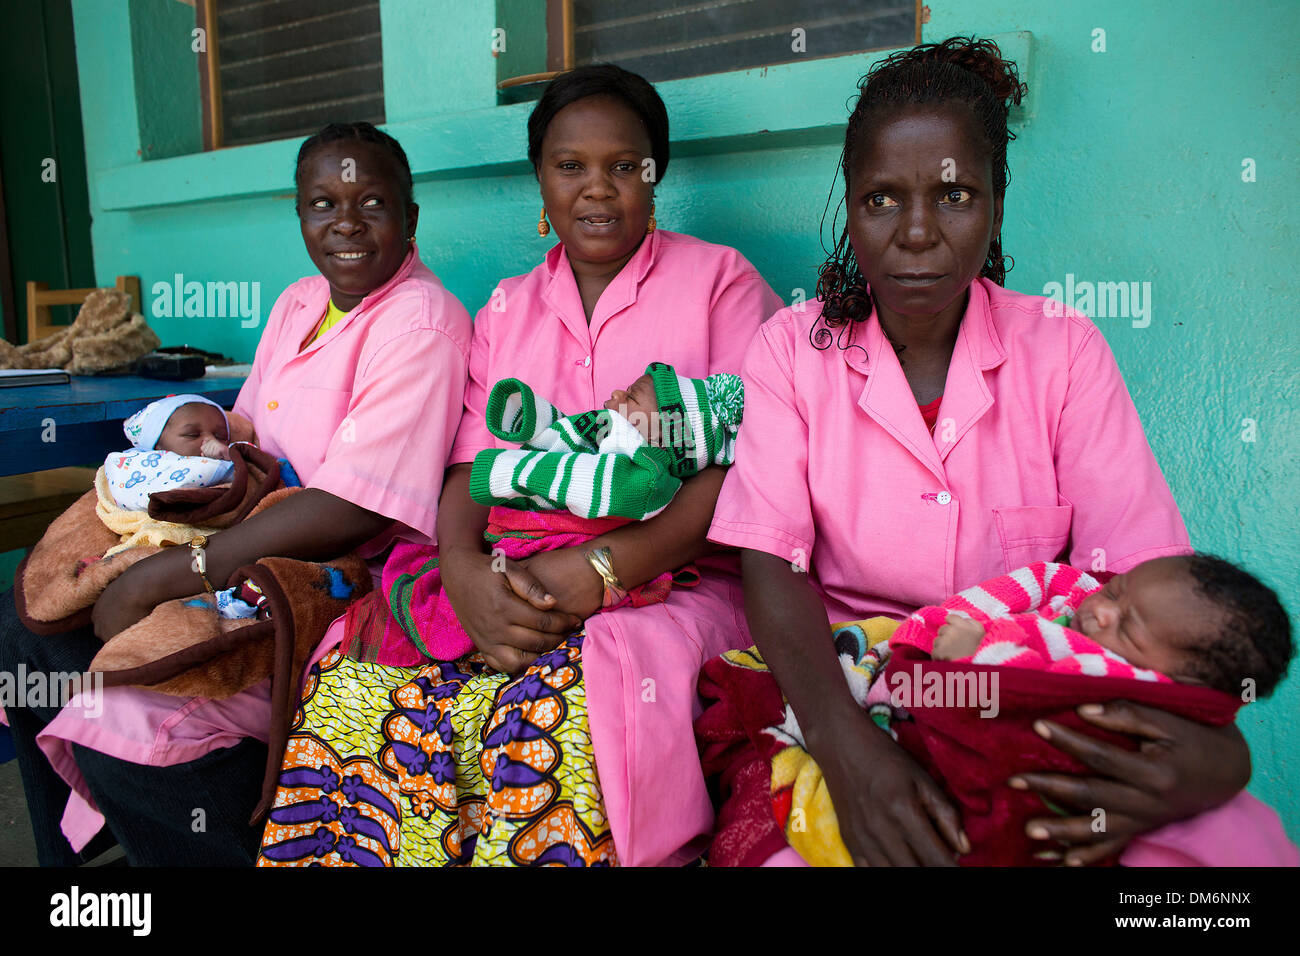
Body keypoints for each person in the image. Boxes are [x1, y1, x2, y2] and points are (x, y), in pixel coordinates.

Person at [705, 37, 1252, 867]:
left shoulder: (1063, 351)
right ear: (849, 209)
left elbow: (1139, 575)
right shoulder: (792, 348)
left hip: (1035, 691)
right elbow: (771, 564)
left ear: (996, 206)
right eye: (882, 199)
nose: (918, 232)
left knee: (1226, 853)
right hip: (854, 683)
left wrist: (1213, 758)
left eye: (954, 195)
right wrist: (849, 751)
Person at [257, 64, 783, 867]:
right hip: (515, 572)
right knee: (354, 694)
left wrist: (607, 564)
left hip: (677, 580)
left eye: (623, 166)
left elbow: (751, 462)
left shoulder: (720, 282)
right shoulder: (507, 310)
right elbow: (471, 470)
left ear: (655, 176)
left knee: (556, 711)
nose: (597, 189)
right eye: (570, 166)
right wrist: (464, 574)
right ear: (541, 179)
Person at [0, 121, 472, 866]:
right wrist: (152, 494)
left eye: (371, 202)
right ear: (301, 215)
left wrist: (177, 572)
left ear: (410, 219)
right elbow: (242, 432)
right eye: (323, 203)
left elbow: (355, 507)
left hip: (326, 574)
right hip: (240, 533)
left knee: (133, 708)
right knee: (29, 625)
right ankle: (81, 858)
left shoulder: (423, 324)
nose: (345, 223)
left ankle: (216, 838)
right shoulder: (298, 302)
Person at [913, 556, 1293, 692]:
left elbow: (1026, 692)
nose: (1103, 611)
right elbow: (1046, 576)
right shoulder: (1079, 595)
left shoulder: (1107, 679)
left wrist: (972, 658)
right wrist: (957, 615)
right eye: (1115, 593)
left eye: (1126, 629)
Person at [104, 394, 257, 511]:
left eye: (220, 436)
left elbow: (251, 460)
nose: (210, 441)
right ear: (157, 443)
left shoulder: (224, 458)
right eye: (192, 435)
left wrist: (228, 454)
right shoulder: (137, 463)